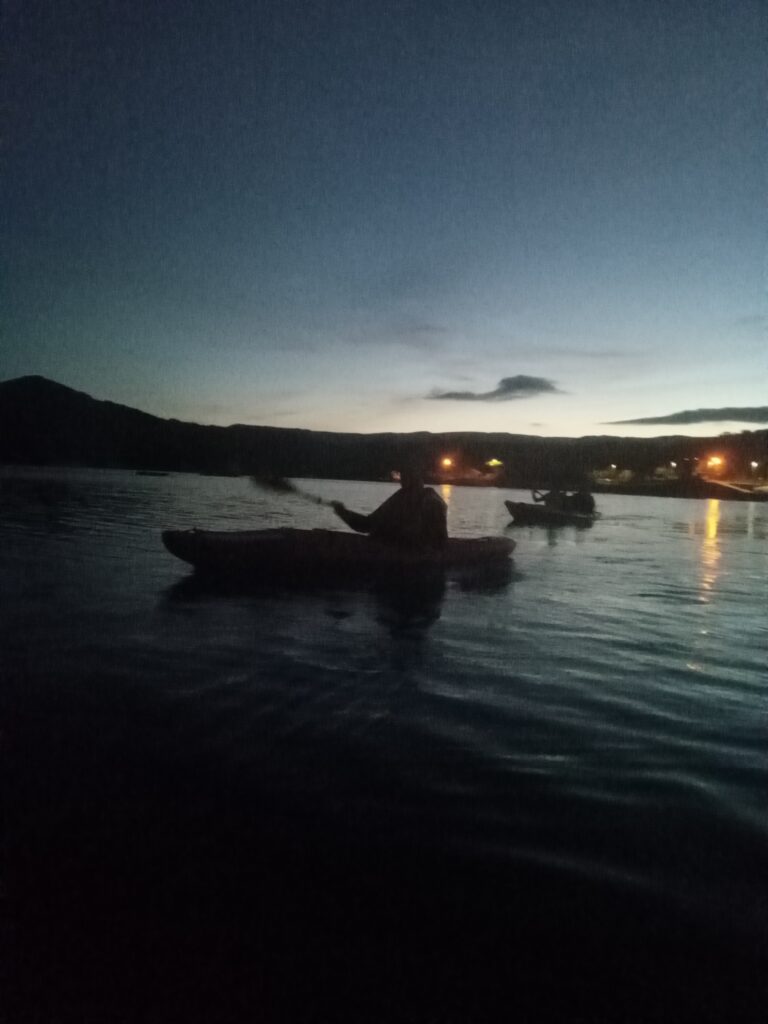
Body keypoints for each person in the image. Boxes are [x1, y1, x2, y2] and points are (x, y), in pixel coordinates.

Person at [331, 465, 448, 549]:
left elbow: (367, 525)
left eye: (405, 477)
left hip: (409, 558)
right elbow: (368, 524)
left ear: (416, 478)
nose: (401, 481)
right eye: (402, 476)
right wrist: (343, 512)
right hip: (418, 556)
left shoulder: (429, 502)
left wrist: (342, 512)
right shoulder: (403, 497)